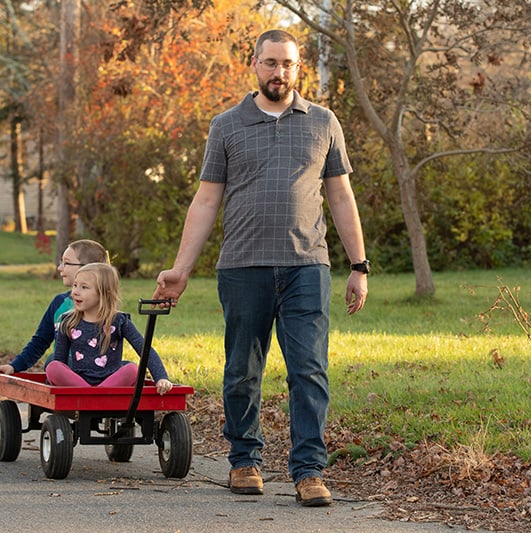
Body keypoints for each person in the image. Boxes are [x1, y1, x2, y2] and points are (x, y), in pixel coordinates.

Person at [153, 29, 369, 506]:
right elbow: (207, 199)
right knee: (242, 371)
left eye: (287, 64)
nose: (279, 72)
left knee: (309, 371)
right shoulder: (226, 125)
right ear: (254, 64)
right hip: (242, 267)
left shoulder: (323, 122)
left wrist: (359, 264)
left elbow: (340, 195)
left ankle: (308, 470)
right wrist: (181, 269)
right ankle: (244, 460)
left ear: (299, 67)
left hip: (307, 268)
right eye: (270, 63)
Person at [0, 239, 110, 377]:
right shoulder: (59, 303)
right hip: (67, 373)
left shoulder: (107, 307)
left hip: (100, 371)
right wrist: (14, 366)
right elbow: (40, 341)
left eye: (66, 263)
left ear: (88, 268)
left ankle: (95, 387)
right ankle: (83, 388)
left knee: (128, 367)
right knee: (53, 362)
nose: (60, 268)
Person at [46, 263, 173, 395]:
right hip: (78, 381)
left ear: (104, 294)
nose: (75, 292)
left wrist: (161, 377)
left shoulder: (119, 321)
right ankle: (92, 396)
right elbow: (61, 362)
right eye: (75, 285)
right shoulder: (68, 321)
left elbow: (144, 349)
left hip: (111, 381)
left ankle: (93, 396)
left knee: (132, 369)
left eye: (84, 287)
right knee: (53, 366)